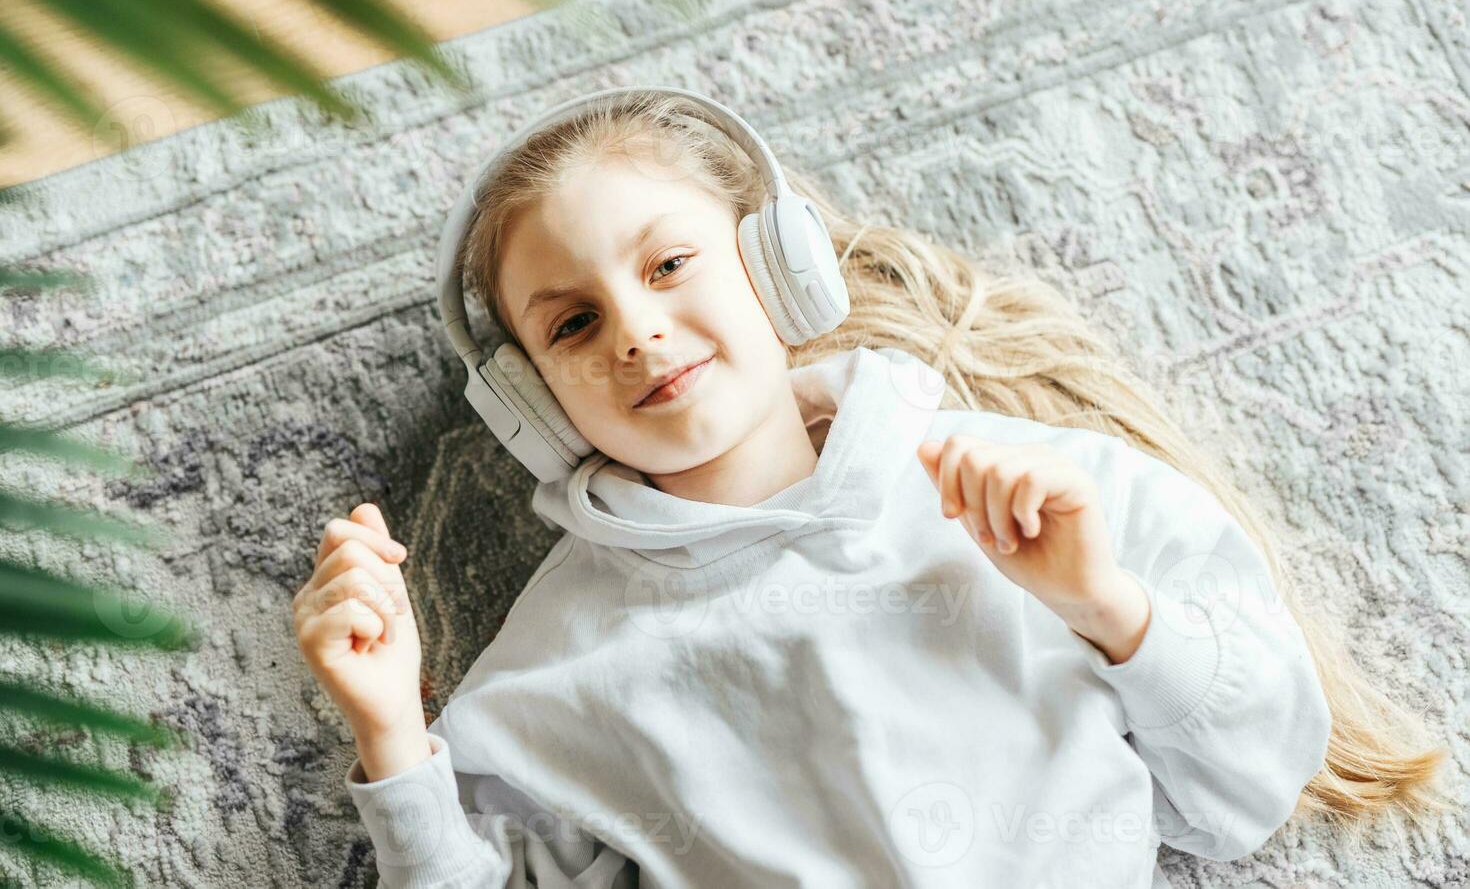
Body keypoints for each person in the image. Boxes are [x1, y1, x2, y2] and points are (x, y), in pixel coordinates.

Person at [294, 89, 1455, 888]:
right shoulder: (552, 670)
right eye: (576, 320)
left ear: (777, 268)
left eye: (668, 264)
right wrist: (394, 731)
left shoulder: (1049, 496)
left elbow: (1249, 776)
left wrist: (1110, 606)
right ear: (534, 406)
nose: (639, 331)